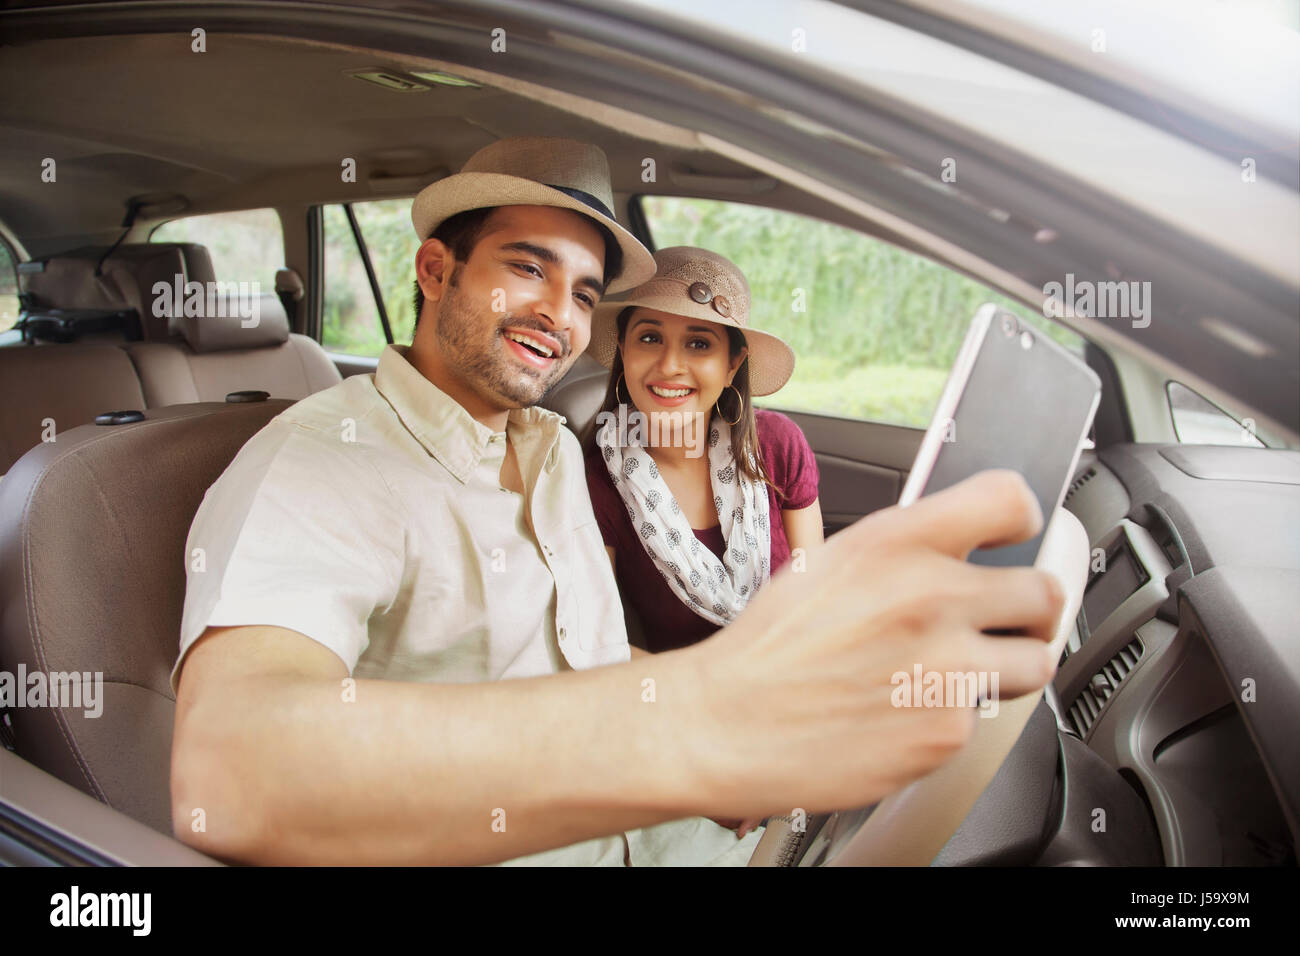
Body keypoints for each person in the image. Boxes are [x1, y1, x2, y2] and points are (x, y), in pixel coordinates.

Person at [169, 136, 1067, 867]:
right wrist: (697, 726)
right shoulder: (321, 460)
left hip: (676, 836)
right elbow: (232, 770)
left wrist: (740, 741)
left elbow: (591, 658)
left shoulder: (553, 447)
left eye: (584, 293)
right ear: (436, 270)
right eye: (527, 269)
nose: (558, 316)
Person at [583, 247, 823, 655]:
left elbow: (815, 593)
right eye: (650, 337)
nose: (671, 364)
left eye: (698, 343)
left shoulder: (777, 443)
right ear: (623, 349)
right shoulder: (596, 478)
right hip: (682, 701)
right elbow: (600, 642)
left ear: (732, 365)